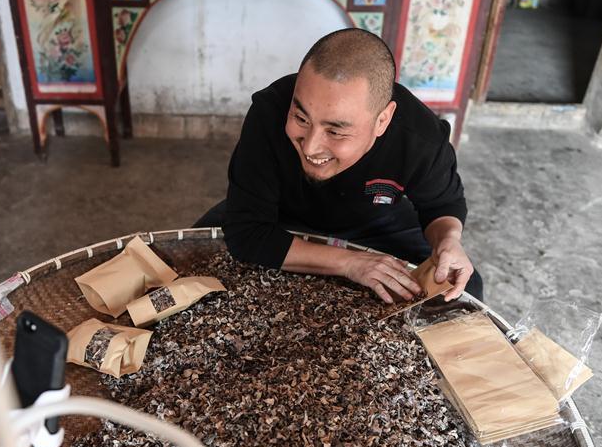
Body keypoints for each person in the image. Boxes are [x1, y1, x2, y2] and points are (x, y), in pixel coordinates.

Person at [194, 28, 482, 303]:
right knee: (194, 259)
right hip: (282, 215)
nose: (310, 147)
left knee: (464, 283)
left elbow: (442, 206)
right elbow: (248, 232)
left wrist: (448, 240)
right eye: (301, 119)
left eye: (335, 131)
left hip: (377, 222)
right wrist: (350, 263)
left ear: (383, 120)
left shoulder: (420, 137)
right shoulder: (268, 111)